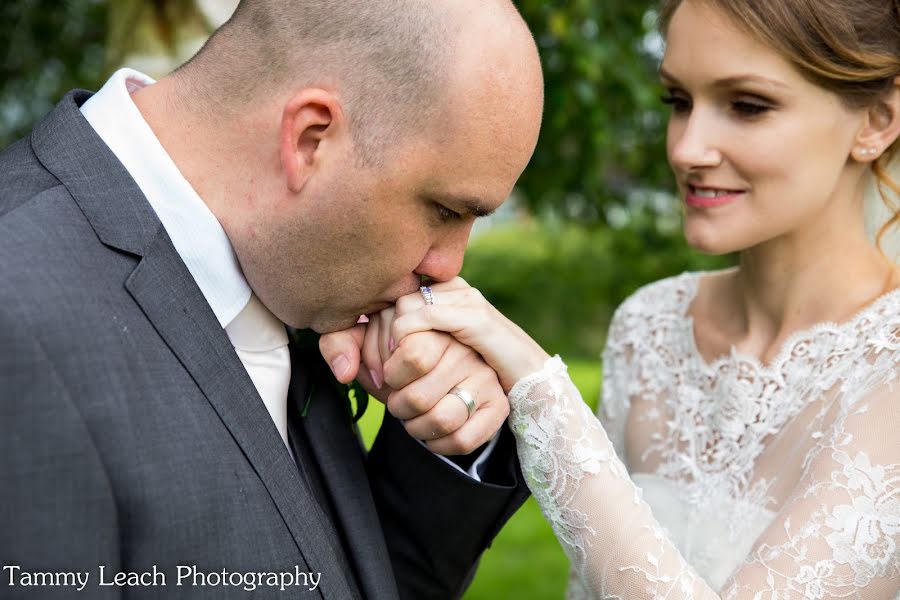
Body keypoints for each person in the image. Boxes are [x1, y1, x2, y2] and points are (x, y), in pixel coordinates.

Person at [324, 0, 900, 596]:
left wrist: (535, 387)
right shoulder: (650, 327)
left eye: (748, 106)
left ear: (877, 120)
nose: (686, 149)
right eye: (678, 101)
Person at [0, 1, 544, 598]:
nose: (446, 269)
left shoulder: (288, 271)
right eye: (444, 211)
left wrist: (441, 439)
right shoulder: (17, 317)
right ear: (311, 138)